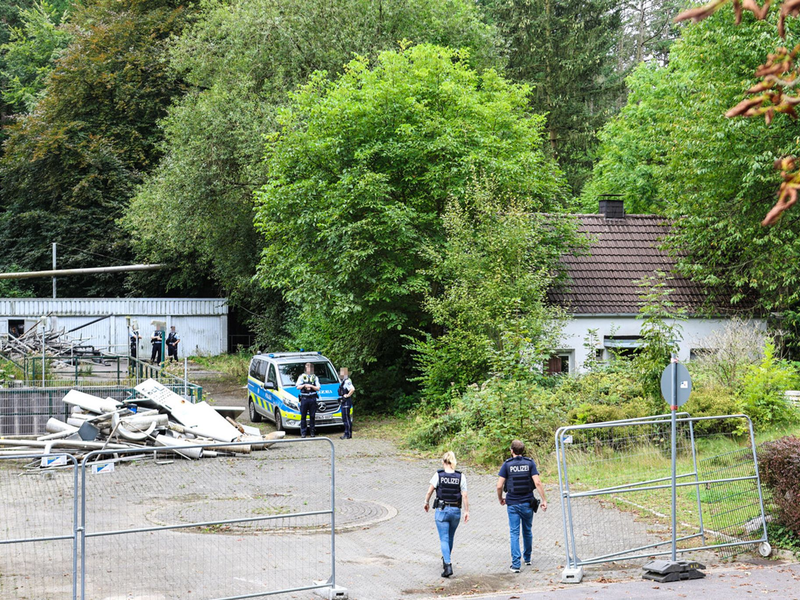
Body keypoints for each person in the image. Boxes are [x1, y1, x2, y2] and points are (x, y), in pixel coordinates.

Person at [497, 440, 548, 572]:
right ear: (522, 451)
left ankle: (515, 565)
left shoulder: (507, 465)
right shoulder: (530, 463)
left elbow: (499, 485)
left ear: (511, 451)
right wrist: (544, 500)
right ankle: (528, 558)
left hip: (513, 503)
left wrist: (500, 498)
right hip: (527, 503)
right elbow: (537, 482)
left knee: (514, 533)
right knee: (527, 530)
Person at [424, 451, 470, 578]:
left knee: (444, 538)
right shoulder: (461, 476)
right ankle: (446, 560)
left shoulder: (438, 475)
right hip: (456, 511)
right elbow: (464, 495)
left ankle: (448, 565)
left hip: (442, 511)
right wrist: (467, 511)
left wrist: (426, 502)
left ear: (443, 462)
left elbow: (430, 491)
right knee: (450, 537)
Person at [295, 362, 320, 438]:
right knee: (303, 416)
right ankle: (303, 433)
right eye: (308, 367)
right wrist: (305, 386)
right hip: (304, 398)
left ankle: (312, 432)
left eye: (310, 367)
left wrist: (311, 386)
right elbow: (297, 387)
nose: (309, 369)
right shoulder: (302, 377)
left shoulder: (315, 377)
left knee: (312, 416)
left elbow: (318, 388)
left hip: (312, 398)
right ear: (305, 369)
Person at [338, 367, 355, 439]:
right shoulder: (343, 381)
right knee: (345, 418)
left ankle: (348, 434)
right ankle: (347, 433)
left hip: (346, 402)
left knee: (346, 418)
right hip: (344, 401)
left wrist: (347, 395)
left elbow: (352, 389)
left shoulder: (347, 381)